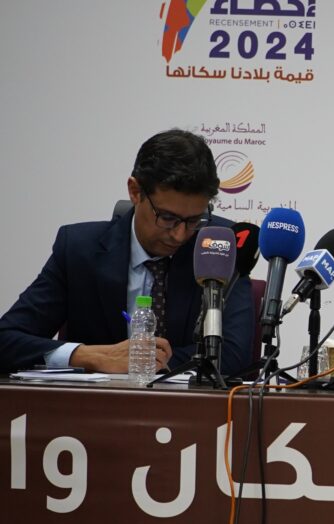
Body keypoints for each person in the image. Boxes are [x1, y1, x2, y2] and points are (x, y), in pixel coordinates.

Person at [0, 129, 253, 375]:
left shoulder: (219, 246)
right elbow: (6, 340)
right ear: (135, 191)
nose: (179, 235)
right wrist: (90, 356)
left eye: (194, 220)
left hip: (185, 403)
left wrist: (142, 360)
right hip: (94, 402)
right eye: (167, 218)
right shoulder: (79, 250)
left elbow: (234, 354)